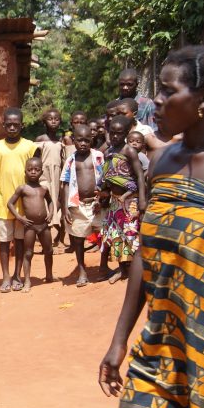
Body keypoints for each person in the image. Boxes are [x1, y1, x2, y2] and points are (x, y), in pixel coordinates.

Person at [99, 45, 204, 408]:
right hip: (162, 342)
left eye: (168, 92)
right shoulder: (162, 162)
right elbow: (144, 257)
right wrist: (119, 341)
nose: (158, 102)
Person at [0, 107, 40, 293]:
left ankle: (18, 275)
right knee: (4, 241)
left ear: (22, 125)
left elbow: (37, 171)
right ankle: (6, 277)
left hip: (24, 204)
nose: (11, 128)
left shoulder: (30, 147)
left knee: (20, 241)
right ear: (3, 125)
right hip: (4, 202)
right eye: (8, 124)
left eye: (15, 125)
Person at [98, 116, 146, 284]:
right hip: (114, 201)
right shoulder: (108, 152)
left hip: (130, 200)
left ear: (126, 133)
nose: (115, 136)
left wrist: (141, 199)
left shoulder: (129, 151)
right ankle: (123, 269)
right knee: (116, 235)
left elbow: (140, 175)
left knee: (130, 234)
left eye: (119, 133)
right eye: (113, 133)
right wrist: (103, 193)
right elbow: (107, 176)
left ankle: (133, 271)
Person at [60, 124, 105, 287]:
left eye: (87, 140)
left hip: (97, 204)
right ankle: (82, 271)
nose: (83, 143)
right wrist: (65, 207)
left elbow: (105, 178)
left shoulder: (98, 156)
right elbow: (64, 184)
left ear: (92, 140)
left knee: (104, 235)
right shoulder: (71, 160)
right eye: (80, 140)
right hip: (78, 205)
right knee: (78, 239)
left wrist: (102, 199)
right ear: (73, 141)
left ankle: (104, 266)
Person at [6, 157, 54, 293]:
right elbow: (10, 203)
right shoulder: (22, 188)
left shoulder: (44, 189)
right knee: (28, 253)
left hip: (44, 225)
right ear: (25, 171)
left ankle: (49, 275)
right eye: (30, 169)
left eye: (37, 170)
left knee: (49, 250)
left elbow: (50, 202)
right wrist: (19, 217)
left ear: (41, 172)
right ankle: (27, 280)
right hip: (30, 226)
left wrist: (51, 213)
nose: (33, 172)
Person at [35, 108, 65, 251]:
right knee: (46, 207)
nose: (53, 121)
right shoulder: (40, 140)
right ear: (44, 122)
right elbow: (35, 160)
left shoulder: (61, 140)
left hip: (57, 176)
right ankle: (45, 244)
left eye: (56, 119)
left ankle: (59, 239)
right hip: (44, 176)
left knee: (58, 205)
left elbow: (64, 160)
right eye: (50, 119)